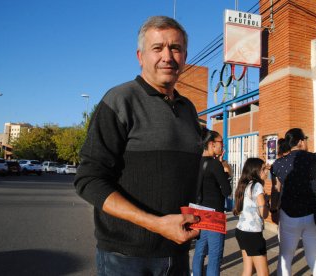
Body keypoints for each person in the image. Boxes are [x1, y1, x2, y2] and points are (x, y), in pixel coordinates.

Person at [74, 16, 203, 275]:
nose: (167, 56)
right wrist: (156, 224)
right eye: (157, 48)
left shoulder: (188, 109)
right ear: (140, 56)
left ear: (185, 56)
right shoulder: (120, 100)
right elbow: (88, 180)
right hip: (126, 258)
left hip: (177, 254)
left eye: (175, 48)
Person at [270, 128, 316, 276]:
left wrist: (274, 210)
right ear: (301, 141)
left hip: (289, 215)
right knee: (315, 259)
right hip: (314, 216)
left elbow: (275, 190)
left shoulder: (278, 164)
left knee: (285, 258)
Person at [192, 128, 232, 276]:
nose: (223, 145)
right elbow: (226, 191)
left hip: (198, 211)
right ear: (211, 144)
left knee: (200, 250)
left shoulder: (196, 162)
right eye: (221, 142)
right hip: (214, 214)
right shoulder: (216, 165)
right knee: (215, 255)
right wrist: (226, 170)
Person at [233, 157, 270, 276]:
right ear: (256, 171)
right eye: (263, 169)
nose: (266, 171)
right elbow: (264, 213)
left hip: (241, 231)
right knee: (263, 272)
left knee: (248, 269)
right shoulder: (258, 186)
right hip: (253, 234)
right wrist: (266, 202)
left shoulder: (246, 185)